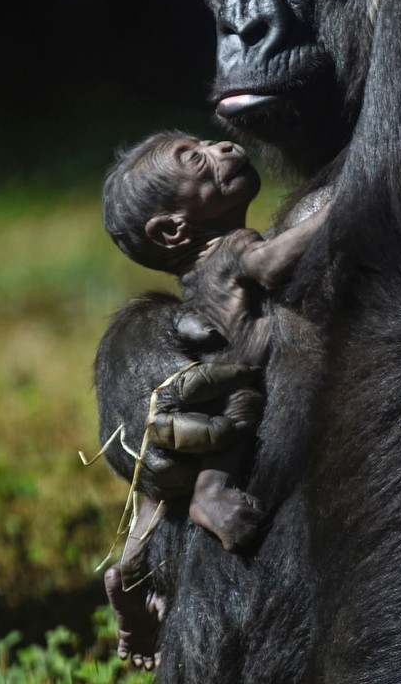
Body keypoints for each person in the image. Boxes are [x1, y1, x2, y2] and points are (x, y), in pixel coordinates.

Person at [99, 130, 328, 667]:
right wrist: (137, 352)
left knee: (177, 480)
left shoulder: (212, 256)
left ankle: (129, 571)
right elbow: (269, 268)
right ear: (173, 230)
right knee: (227, 425)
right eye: (194, 157)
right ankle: (149, 558)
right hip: (242, 373)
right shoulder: (234, 248)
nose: (222, 147)